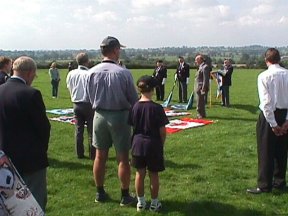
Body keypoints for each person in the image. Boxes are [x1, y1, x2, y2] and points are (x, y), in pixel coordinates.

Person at [86, 36, 138, 205]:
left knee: (99, 156)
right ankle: (124, 195)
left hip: (99, 115)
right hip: (120, 116)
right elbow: (133, 99)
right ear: (115, 50)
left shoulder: (91, 72)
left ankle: (100, 192)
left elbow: (89, 96)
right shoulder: (123, 72)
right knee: (123, 157)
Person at [0, 56, 51, 211]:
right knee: (33, 204)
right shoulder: (31, 94)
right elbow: (43, 128)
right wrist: (41, 150)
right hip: (30, 160)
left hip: (4, 158)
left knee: (7, 205)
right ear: (30, 73)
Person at [247, 48, 288, 194]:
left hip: (269, 116)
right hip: (285, 114)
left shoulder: (264, 76)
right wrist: (286, 121)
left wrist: (273, 124)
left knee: (266, 151)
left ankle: (264, 185)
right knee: (282, 151)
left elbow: (266, 103)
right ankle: (279, 180)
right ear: (279, 59)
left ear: (266, 60)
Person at [128, 75, 169, 212]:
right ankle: (154, 203)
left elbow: (132, 125)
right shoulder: (157, 108)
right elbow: (162, 131)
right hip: (153, 144)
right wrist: (161, 144)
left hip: (137, 144)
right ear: (152, 90)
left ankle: (140, 202)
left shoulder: (134, 106)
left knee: (139, 173)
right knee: (154, 174)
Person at [66, 52, 96, 160]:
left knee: (79, 130)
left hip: (76, 103)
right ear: (87, 61)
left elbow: (69, 86)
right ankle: (93, 154)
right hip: (88, 103)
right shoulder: (89, 73)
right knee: (91, 130)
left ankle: (79, 153)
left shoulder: (71, 73)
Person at [194, 54, 210, 118]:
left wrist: (203, 88)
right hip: (198, 86)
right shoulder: (201, 66)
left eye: (196, 60)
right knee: (199, 101)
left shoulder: (205, 67)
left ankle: (201, 114)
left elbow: (205, 79)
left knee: (200, 102)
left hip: (201, 87)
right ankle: (200, 113)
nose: (195, 61)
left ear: (200, 60)